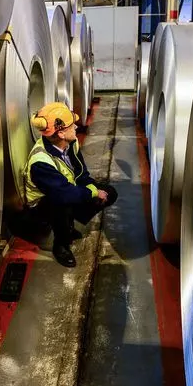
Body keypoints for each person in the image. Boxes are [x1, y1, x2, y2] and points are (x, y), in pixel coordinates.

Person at [23, 102, 118, 267]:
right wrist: (93, 193)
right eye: (71, 125)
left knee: (110, 192)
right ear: (60, 133)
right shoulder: (41, 162)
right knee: (62, 205)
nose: (76, 126)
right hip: (42, 207)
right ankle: (61, 245)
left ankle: (68, 224)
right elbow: (63, 194)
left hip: (65, 192)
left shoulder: (70, 143)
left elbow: (81, 173)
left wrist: (93, 188)